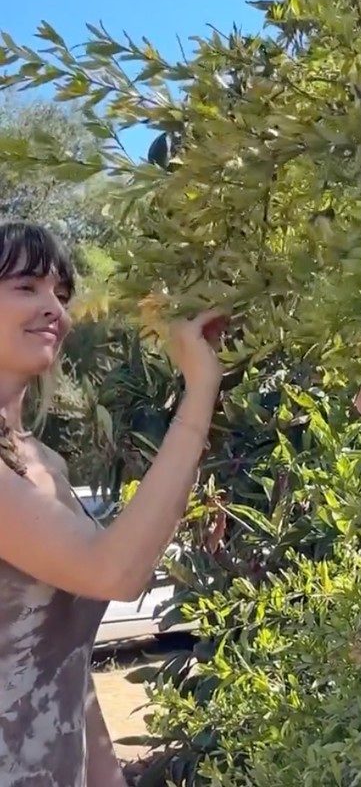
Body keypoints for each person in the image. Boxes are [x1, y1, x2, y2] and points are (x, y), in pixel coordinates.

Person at [0, 220, 224, 787]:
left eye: (62, 293)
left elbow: (64, 662)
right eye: (27, 286)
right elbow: (113, 571)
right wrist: (198, 393)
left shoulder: (43, 464)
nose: (54, 306)